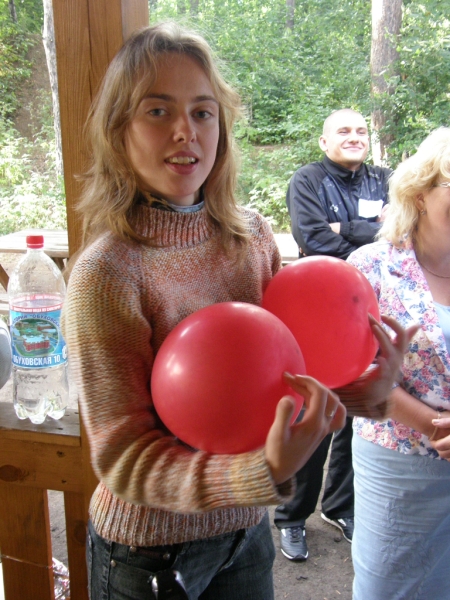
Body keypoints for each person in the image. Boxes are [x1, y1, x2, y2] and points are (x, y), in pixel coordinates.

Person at [61, 23, 413, 600]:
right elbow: (123, 459)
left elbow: (280, 380)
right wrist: (260, 473)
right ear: (118, 128)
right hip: (148, 556)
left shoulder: (250, 237)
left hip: (246, 536)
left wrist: (362, 394)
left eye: (203, 112)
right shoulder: (106, 274)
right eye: (157, 111)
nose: (186, 131)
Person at [276, 109, 392, 561]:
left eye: (361, 130)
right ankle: (291, 516)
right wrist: (370, 236)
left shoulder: (385, 180)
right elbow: (314, 239)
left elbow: (399, 233)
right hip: (318, 312)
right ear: (324, 142)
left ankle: (340, 507)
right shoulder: (307, 180)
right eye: (343, 131)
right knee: (315, 408)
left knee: (355, 410)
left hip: (368, 308)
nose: (354, 137)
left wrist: (346, 229)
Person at [347, 127, 450, 600]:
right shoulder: (370, 266)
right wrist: (434, 425)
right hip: (400, 465)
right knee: (391, 588)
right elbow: (348, 371)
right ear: (421, 193)